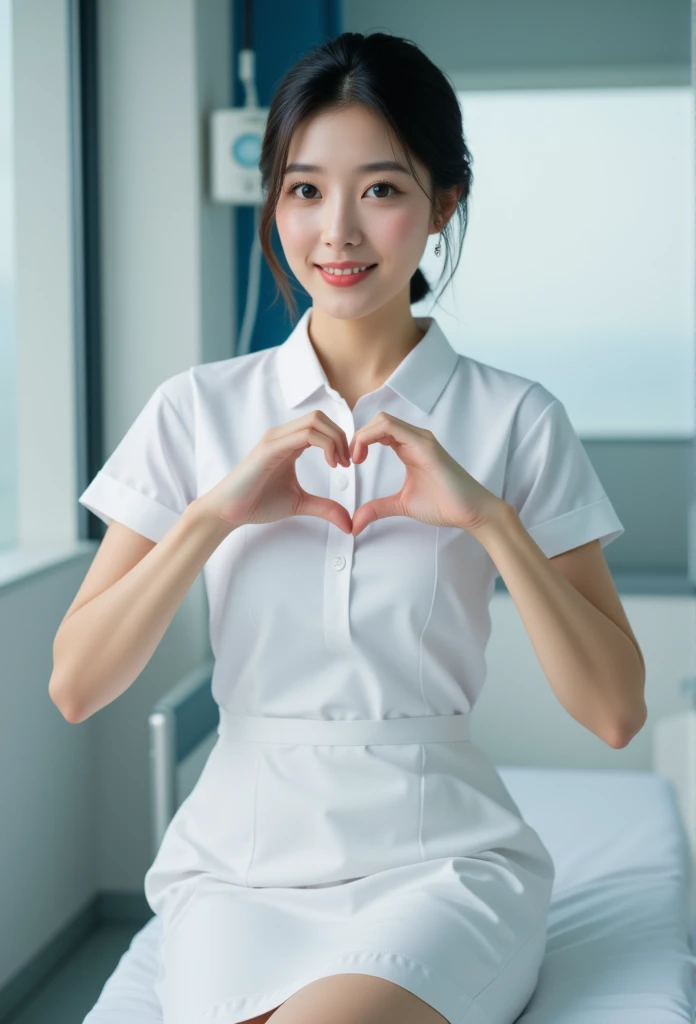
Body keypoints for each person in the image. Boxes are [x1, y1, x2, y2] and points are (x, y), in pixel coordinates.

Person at [63, 30, 627, 1024]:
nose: (338, 233)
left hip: (438, 866)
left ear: (442, 203)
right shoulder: (199, 411)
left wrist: (489, 520)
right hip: (238, 871)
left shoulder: (513, 418)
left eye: (379, 189)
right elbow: (77, 684)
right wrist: (211, 516)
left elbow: (616, 711)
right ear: (275, 201)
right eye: (304, 189)